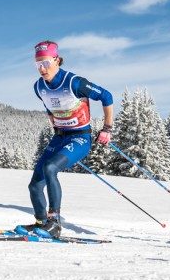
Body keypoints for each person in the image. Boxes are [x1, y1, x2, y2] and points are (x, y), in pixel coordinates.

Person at [16, 40, 114, 239]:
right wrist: (56, 124)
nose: (42, 69)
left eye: (45, 63)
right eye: (38, 65)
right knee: (34, 185)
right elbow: (49, 106)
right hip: (60, 138)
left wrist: (107, 128)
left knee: (50, 168)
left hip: (80, 138)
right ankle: (41, 222)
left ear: (57, 60)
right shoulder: (39, 87)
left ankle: (55, 223)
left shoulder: (74, 82)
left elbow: (107, 96)